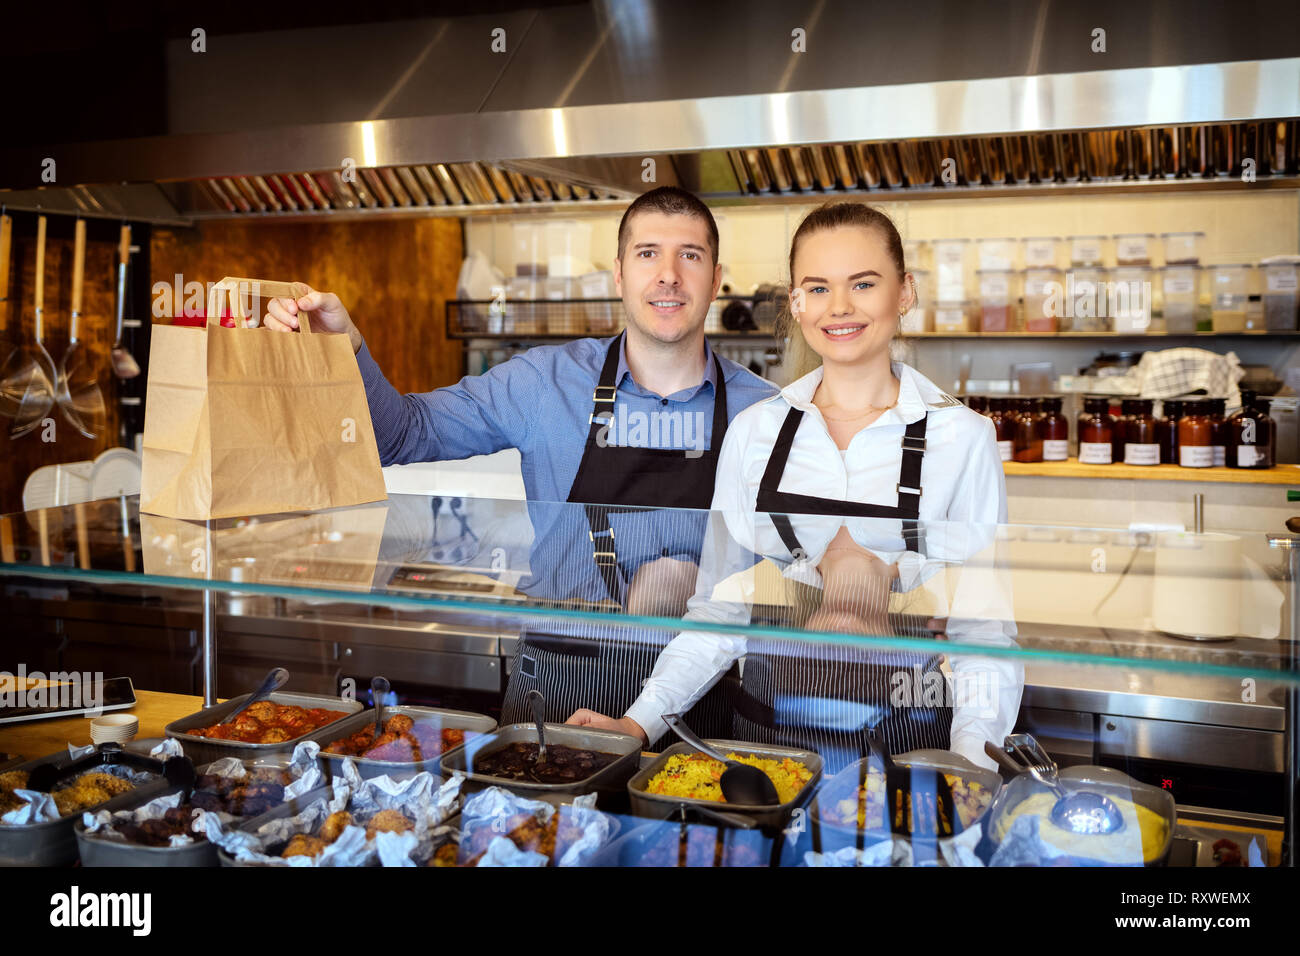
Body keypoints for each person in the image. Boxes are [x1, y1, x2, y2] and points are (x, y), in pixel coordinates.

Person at [262, 186, 776, 729]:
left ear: (715, 279)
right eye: (648, 253)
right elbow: (403, 435)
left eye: (688, 255)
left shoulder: (763, 412)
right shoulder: (543, 382)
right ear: (621, 276)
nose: (668, 274)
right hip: (560, 678)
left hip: (701, 692)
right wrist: (345, 348)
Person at [568, 201, 1022, 771]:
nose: (839, 308)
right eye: (817, 287)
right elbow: (719, 615)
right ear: (795, 302)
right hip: (763, 743)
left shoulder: (963, 439)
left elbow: (984, 637)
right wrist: (638, 722)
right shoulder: (756, 432)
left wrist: (970, 768)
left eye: (863, 283)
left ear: (903, 292)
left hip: (910, 743)